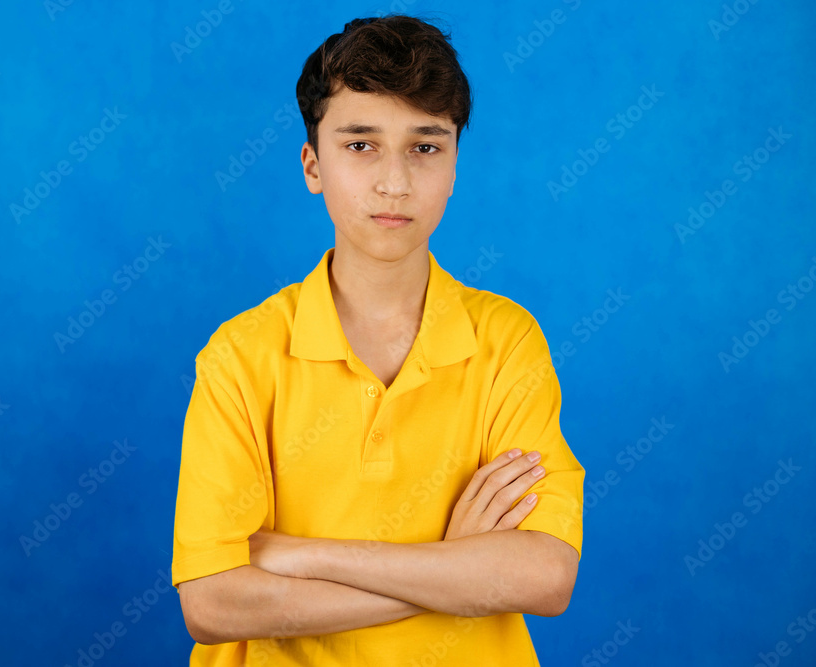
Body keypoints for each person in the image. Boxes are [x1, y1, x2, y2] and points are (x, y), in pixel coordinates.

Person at [172, 14, 584, 665]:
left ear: (454, 166)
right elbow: (213, 603)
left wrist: (303, 554)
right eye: (361, 145)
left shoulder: (505, 341)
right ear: (312, 165)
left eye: (425, 147)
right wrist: (453, 572)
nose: (395, 182)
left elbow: (545, 576)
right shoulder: (240, 356)